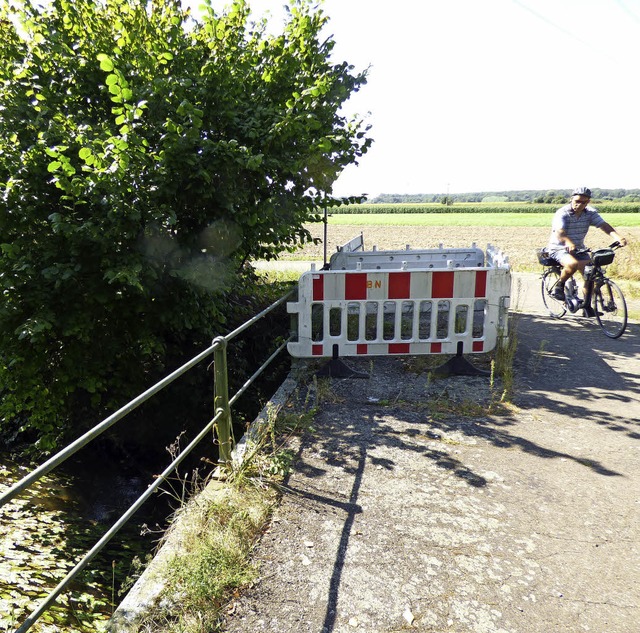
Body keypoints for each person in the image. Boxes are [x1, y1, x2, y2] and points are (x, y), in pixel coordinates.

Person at [547, 187, 627, 311]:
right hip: (559, 248)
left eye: (583, 202)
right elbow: (560, 232)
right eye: (576, 201)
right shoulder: (562, 213)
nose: (578, 204)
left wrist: (618, 237)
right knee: (572, 264)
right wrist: (568, 242)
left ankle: (586, 305)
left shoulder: (590, 213)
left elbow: (604, 225)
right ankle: (559, 286)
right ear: (571, 199)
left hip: (579, 249)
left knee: (590, 274)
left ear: (588, 202)